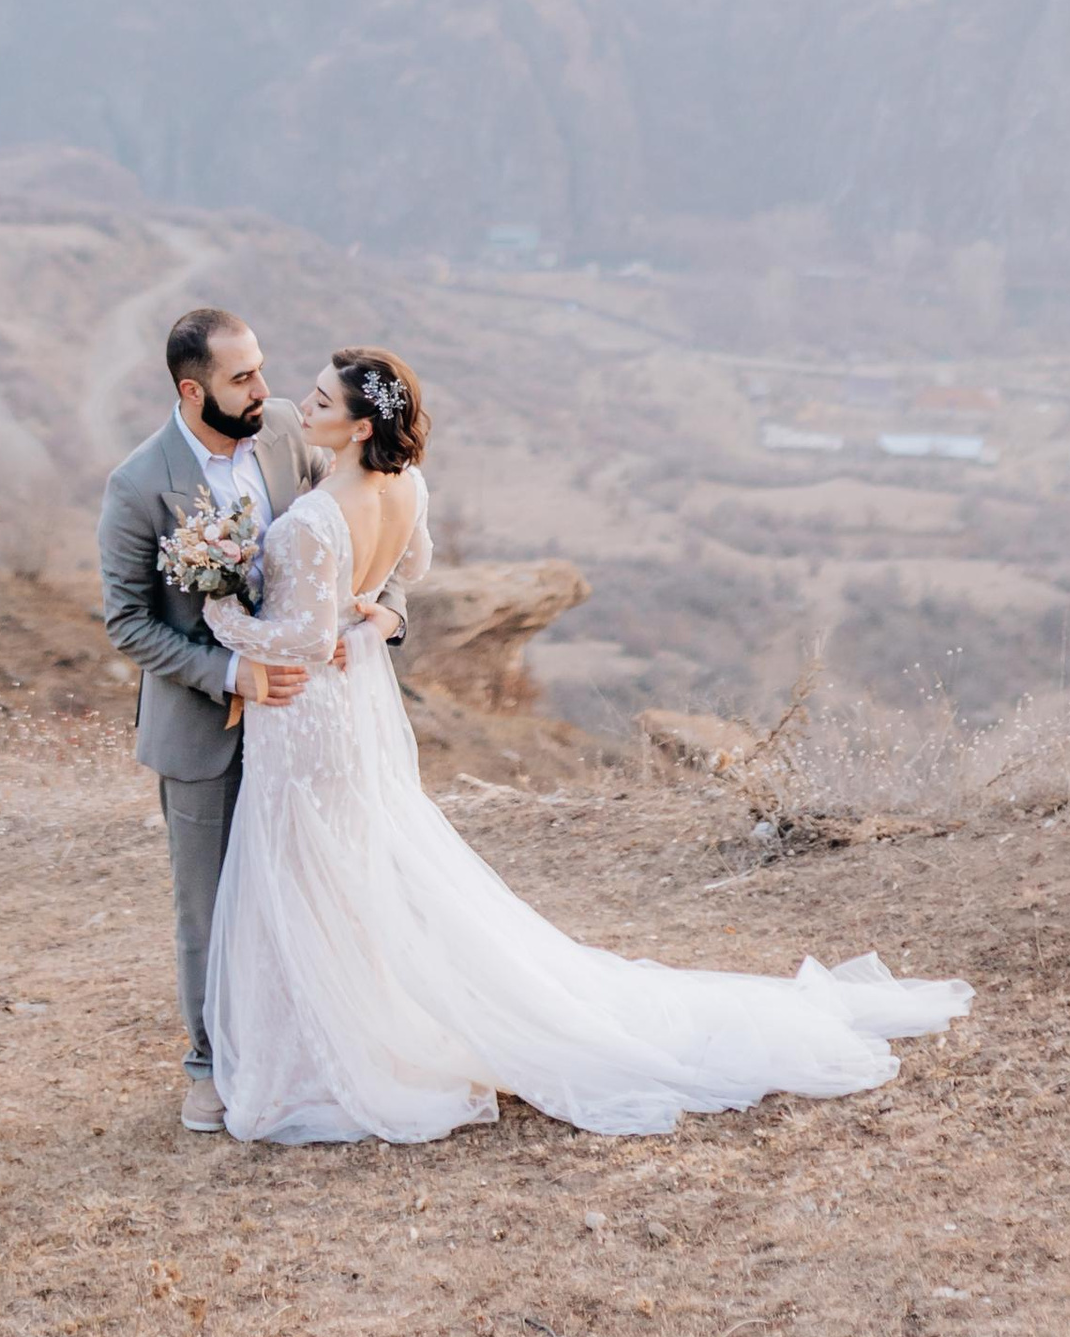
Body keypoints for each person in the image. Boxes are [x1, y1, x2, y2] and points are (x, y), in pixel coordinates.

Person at [200, 342, 972, 1144]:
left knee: (308, 866)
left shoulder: (324, 514)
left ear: (361, 428)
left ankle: (335, 1048)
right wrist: (377, 609)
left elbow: (301, 635)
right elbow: (414, 566)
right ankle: (354, 1025)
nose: (306, 406)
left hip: (310, 710)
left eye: (323, 401)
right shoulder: (407, 486)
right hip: (350, 701)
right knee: (348, 864)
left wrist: (222, 611)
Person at [97, 305, 410, 1130]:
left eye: (264, 370)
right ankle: (208, 1064)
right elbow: (127, 621)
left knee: (304, 891)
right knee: (208, 908)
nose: (266, 390)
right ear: (193, 390)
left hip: (305, 730)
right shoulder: (137, 484)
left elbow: (372, 515)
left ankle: (301, 1045)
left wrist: (376, 616)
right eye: (244, 379)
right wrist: (232, 671)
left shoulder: (283, 434)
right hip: (203, 732)